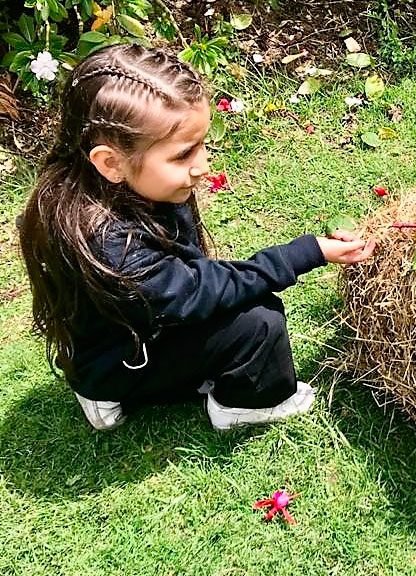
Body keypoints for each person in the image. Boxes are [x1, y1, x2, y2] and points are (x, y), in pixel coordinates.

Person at [18, 44, 375, 431]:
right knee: (258, 321)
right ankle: (241, 405)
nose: (204, 165)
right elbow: (197, 291)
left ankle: (109, 383)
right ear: (111, 163)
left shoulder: (93, 192)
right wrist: (306, 253)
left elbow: (184, 281)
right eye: (184, 154)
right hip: (115, 361)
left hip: (112, 343)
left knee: (233, 310)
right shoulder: (107, 241)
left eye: (202, 144)